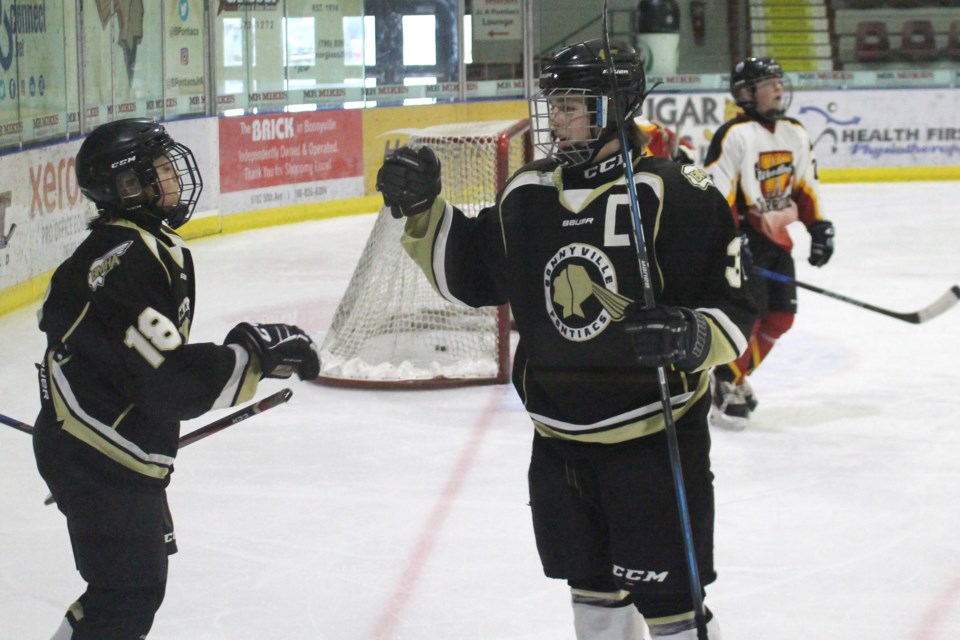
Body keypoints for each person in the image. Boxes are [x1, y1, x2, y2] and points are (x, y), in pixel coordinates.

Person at [377, 40, 756, 640]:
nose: (557, 118)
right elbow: (473, 275)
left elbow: (735, 304)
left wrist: (690, 335)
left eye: (574, 104)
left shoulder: (674, 189)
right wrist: (424, 209)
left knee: (673, 614)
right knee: (593, 604)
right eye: (554, 104)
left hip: (652, 442)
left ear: (618, 105)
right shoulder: (527, 192)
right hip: (559, 442)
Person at [32, 118, 320, 639]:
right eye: (160, 169)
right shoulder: (119, 261)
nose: (174, 176)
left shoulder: (145, 246)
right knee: (123, 596)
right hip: (97, 452)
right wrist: (250, 355)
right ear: (127, 186)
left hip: (106, 446)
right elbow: (165, 382)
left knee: (132, 592)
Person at [703, 57, 835, 431]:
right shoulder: (733, 135)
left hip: (777, 242)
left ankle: (733, 377)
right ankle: (727, 383)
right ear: (746, 93)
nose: (778, 88)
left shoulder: (794, 132)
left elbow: (807, 185)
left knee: (782, 318)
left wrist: (820, 226)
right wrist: (732, 238)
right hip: (744, 244)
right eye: (768, 83)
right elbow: (716, 193)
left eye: (779, 81)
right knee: (750, 318)